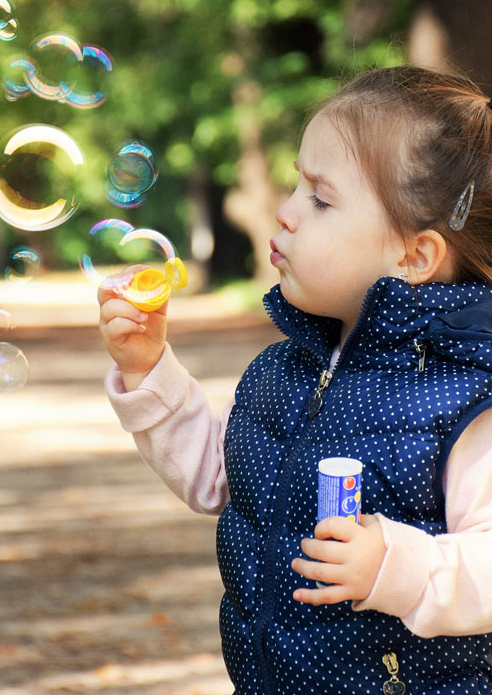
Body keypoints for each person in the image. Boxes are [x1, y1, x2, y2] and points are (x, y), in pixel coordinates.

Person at [98, 65, 492, 694]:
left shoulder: (462, 400)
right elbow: (220, 480)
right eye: (295, 186)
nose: (283, 213)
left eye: (321, 198)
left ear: (413, 256)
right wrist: (149, 370)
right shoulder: (285, 371)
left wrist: (398, 565)